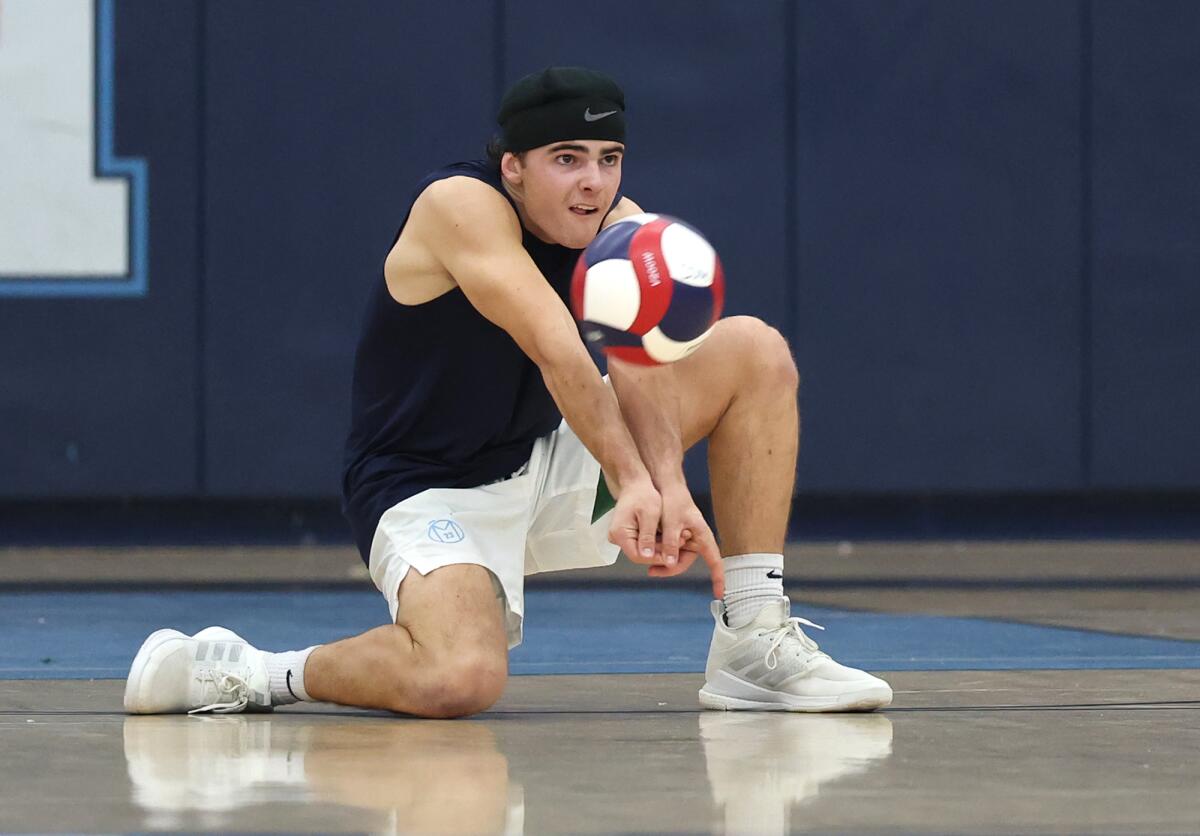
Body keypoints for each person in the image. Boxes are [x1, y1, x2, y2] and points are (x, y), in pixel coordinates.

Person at [124, 67, 892, 718]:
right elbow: (561, 353)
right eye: (567, 158)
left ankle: (752, 640)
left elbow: (634, 365)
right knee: (461, 679)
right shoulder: (459, 208)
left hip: (544, 464)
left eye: (609, 156)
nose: (593, 181)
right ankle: (251, 672)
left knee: (752, 350)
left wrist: (667, 485)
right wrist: (632, 481)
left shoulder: (620, 226)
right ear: (514, 166)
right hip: (426, 489)